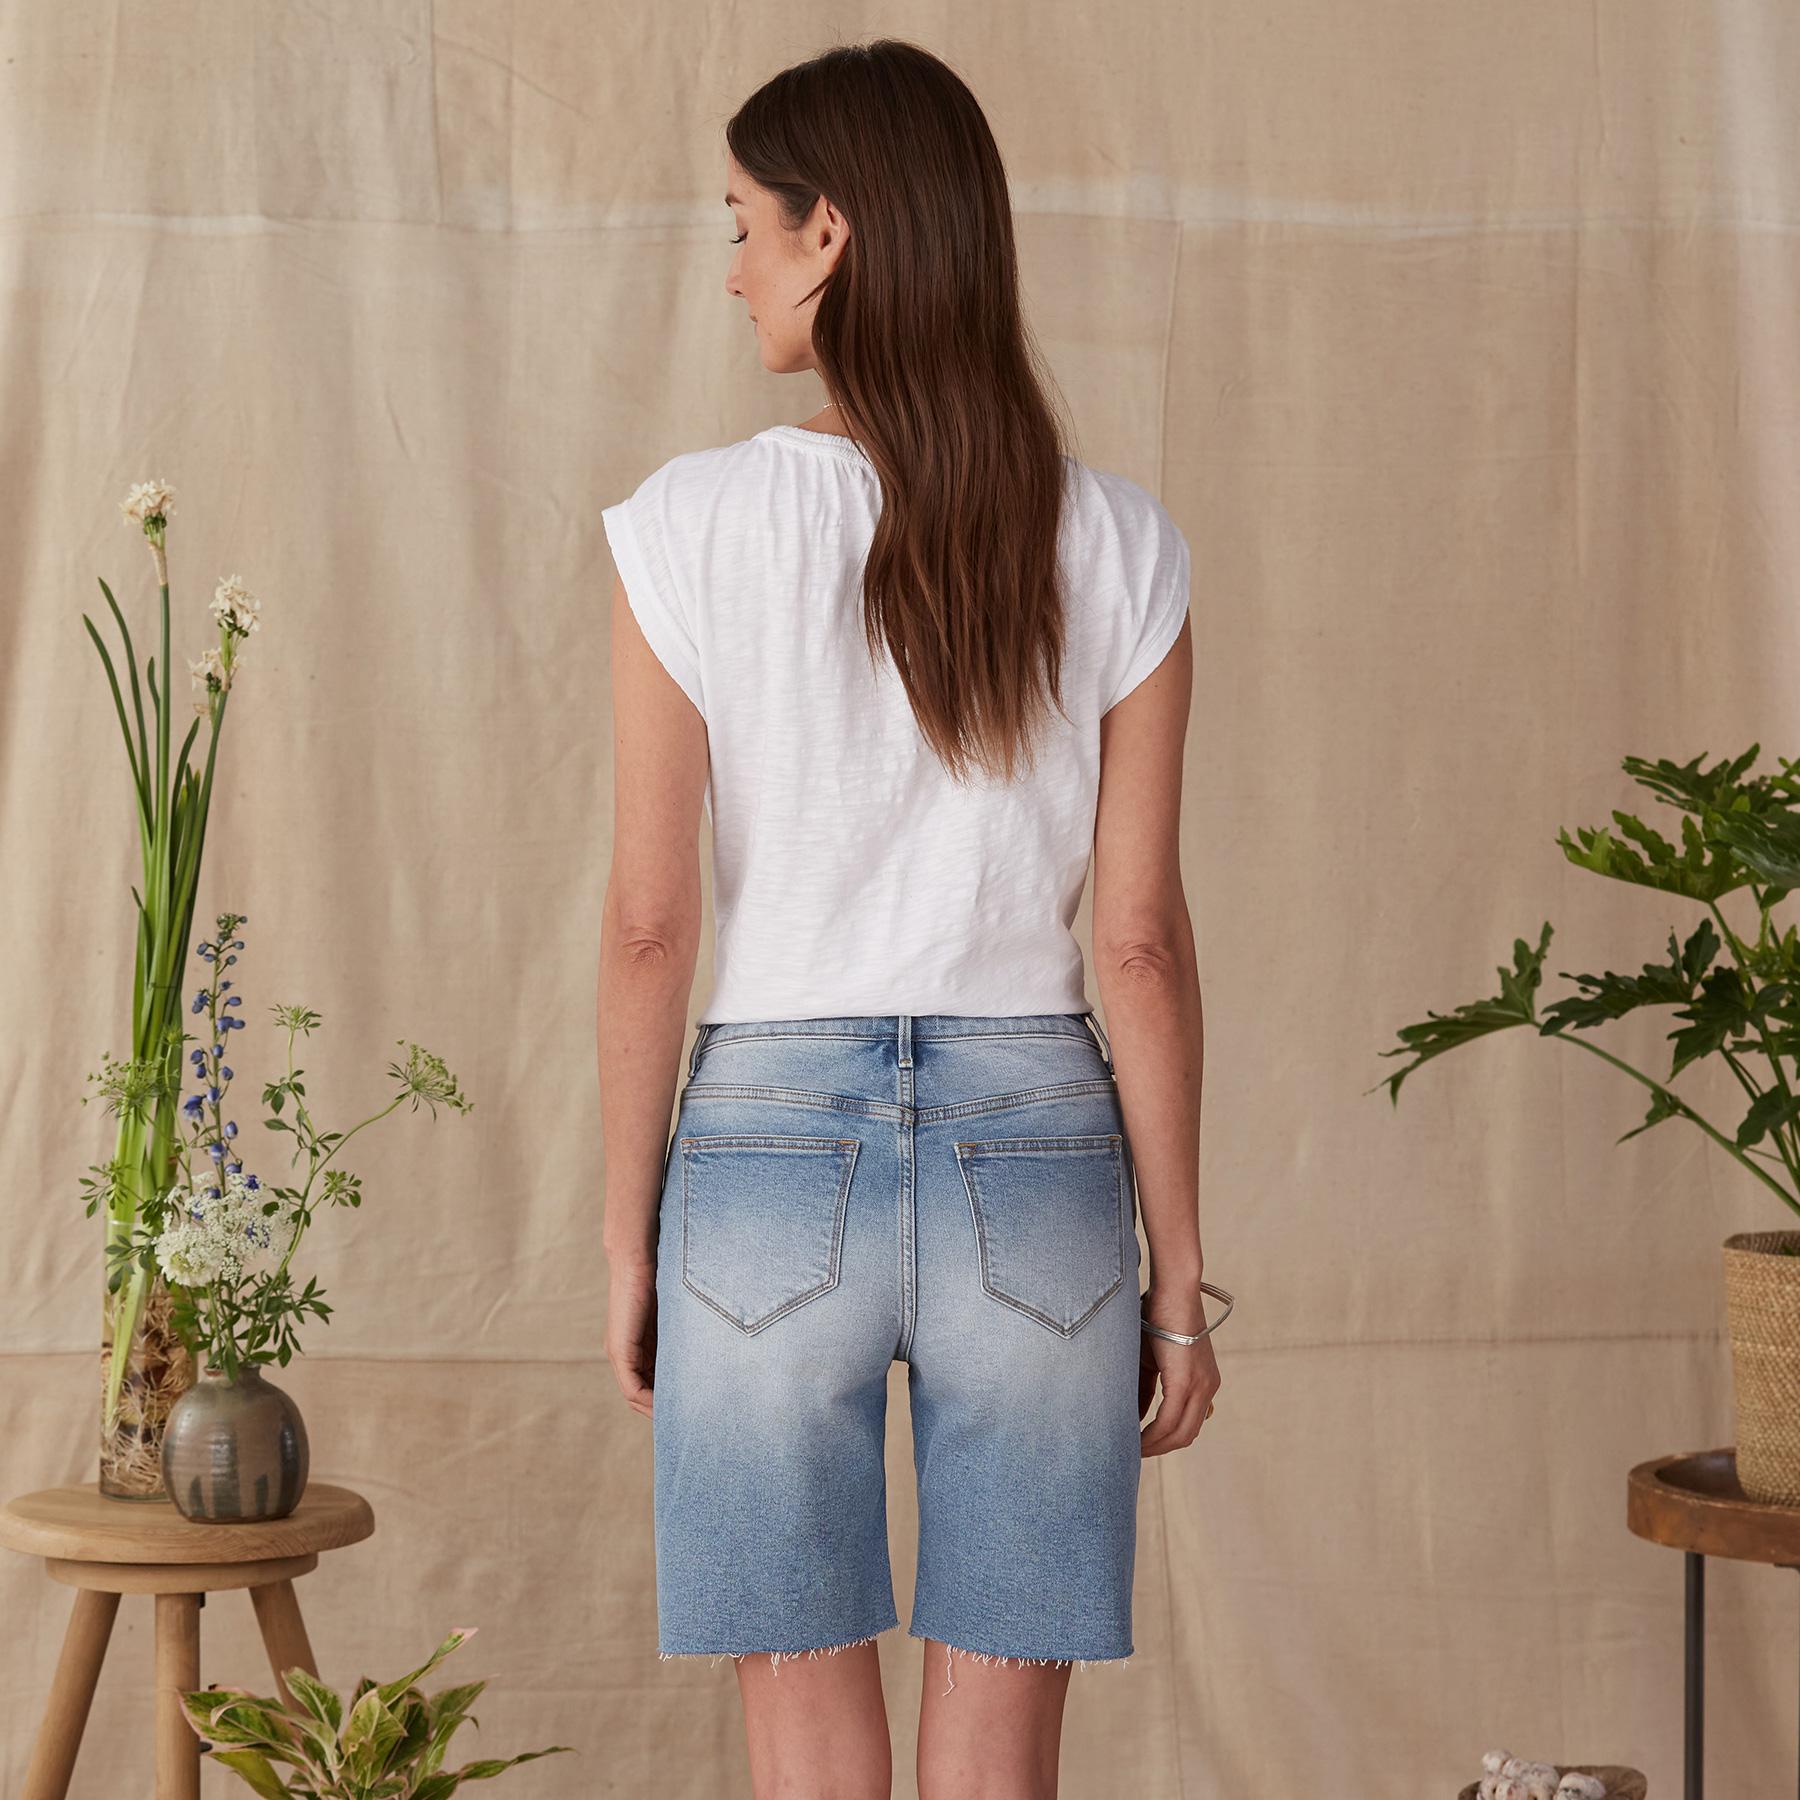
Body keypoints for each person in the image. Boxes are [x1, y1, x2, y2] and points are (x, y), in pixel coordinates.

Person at [597, 36, 1219, 1800]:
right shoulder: (1119, 542)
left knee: (803, 1739)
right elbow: (1138, 944)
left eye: (744, 225)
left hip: (764, 1149)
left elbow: (648, 927)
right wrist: (1181, 1285)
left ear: (833, 233)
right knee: (1002, 1750)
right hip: (1038, 1148)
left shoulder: (688, 527)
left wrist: (632, 1238)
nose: (732, 269)